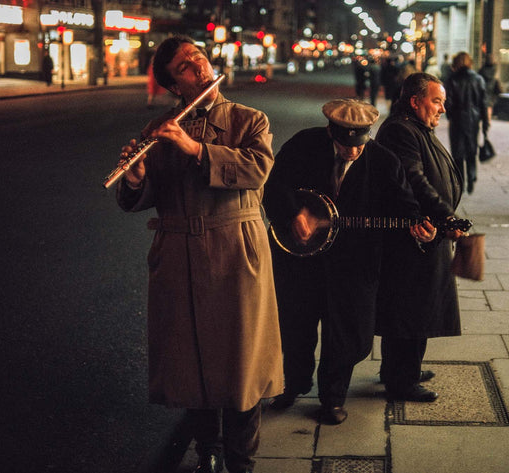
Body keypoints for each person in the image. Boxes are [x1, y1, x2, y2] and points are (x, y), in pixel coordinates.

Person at [114, 35, 283, 473]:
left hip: (235, 255)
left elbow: (257, 169)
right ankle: (207, 449)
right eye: (185, 67)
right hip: (180, 258)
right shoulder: (161, 128)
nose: (198, 66)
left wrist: (193, 148)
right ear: (175, 85)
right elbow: (152, 193)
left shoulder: (250, 119)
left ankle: (242, 461)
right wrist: (135, 179)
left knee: (240, 365)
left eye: (199, 57)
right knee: (194, 364)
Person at [263, 98, 435, 424]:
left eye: (359, 144)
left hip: (354, 263)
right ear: (330, 131)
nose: (352, 151)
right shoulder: (304, 145)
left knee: (345, 334)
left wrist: (419, 227)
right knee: (296, 325)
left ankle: (333, 397)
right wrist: (294, 213)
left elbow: (404, 204)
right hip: (301, 258)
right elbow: (274, 185)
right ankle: (294, 383)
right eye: (345, 144)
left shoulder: (383, 161)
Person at [375, 73, 465, 402]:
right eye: (436, 101)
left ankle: (399, 369)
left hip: (425, 230)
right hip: (414, 233)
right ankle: (403, 379)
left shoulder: (413, 126)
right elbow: (414, 178)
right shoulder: (401, 129)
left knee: (415, 306)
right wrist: (447, 216)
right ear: (416, 101)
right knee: (413, 307)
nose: (443, 108)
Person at [443, 51, 489, 194]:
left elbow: (448, 102)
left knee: (457, 152)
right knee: (471, 149)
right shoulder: (478, 79)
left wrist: (450, 116)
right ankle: (472, 177)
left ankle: (460, 181)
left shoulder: (452, 80)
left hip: (457, 119)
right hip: (473, 120)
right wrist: (485, 121)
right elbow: (483, 103)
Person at [478, 53, 503, 121]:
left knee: (483, 105)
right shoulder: (495, 69)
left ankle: (483, 120)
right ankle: (488, 121)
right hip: (492, 89)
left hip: (484, 89)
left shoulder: (482, 70)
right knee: (489, 106)